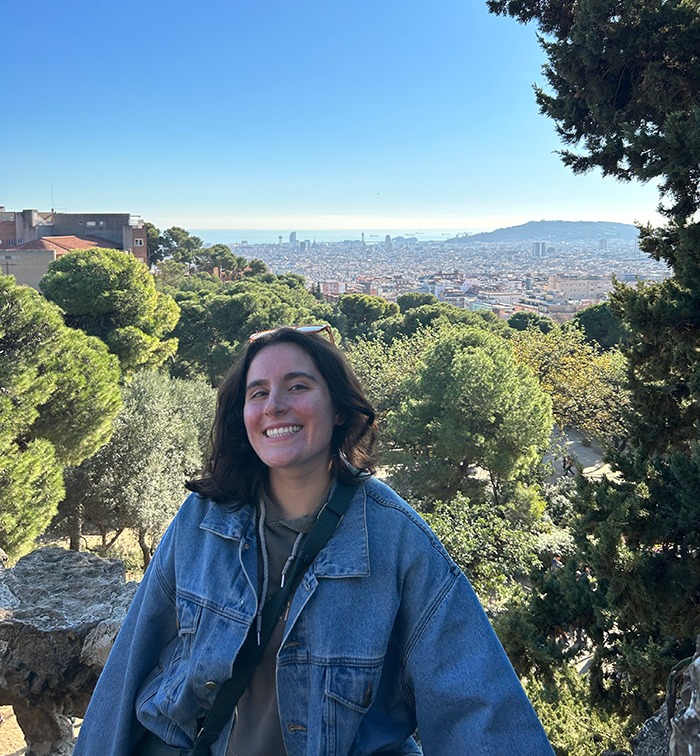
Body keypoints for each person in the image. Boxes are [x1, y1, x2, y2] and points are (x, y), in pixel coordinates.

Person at [75, 325, 553, 755]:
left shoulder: (395, 538)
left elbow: (476, 706)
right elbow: (133, 660)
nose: (274, 405)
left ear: (339, 410)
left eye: (297, 386)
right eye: (257, 392)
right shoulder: (202, 518)